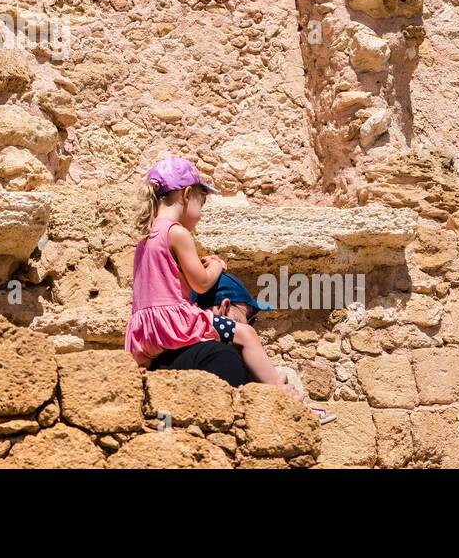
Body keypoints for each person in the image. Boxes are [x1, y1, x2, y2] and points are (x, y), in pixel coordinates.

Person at [124, 156, 334, 423]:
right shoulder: (177, 233)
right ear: (188, 194)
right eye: (202, 201)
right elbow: (202, 282)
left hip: (149, 331)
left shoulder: (146, 238)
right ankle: (284, 395)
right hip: (174, 321)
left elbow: (169, 283)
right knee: (245, 334)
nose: (201, 211)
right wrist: (216, 265)